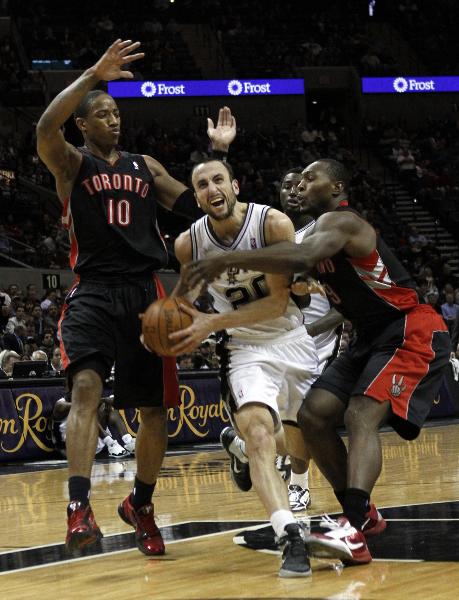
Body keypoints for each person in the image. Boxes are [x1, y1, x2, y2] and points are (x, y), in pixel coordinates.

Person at [179, 158, 451, 565]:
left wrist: (222, 261)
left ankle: (354, 525)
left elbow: (296, 258)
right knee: (313, 417)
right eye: (296, 180)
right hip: (369, 338)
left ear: (338, 188)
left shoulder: (343, 223)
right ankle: (363, 517)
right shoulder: (306, 230)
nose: (300, 185)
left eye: (311, 178)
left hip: (409, 328)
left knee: (360, 415)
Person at [36, 39, 235, 555]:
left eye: (116, 112)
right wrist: (91, 75)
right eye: (103, 113)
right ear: (83, 123)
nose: (114, 119)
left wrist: (218, 157)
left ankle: (139, 504)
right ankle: (79, 507)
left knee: (155, 412)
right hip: (95, 290)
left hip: (148, 294)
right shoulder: (71, 163)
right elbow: (43, 129)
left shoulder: (144, 165)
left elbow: (197, 204)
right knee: (85, 389)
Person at [171, 158, 320, 577]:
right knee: (259, 433)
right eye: (201, 185)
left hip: (292, 338)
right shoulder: (189, 243)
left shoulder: (272, 224)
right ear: (197, 197)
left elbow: (275, 303)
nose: (211, 188)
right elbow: (185, 297)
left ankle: (236, 450)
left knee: (299, 449)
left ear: (234, 185)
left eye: (218, 179)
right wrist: (168, 322)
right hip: (244, 349)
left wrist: (209, 323)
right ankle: (289, 534)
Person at [52, 393, 135, 459]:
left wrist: (108, 401)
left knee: (107, 407)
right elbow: (81, 406)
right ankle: (111, 443)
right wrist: (106, 400)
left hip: (92, 442)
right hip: (75, 448)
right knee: (85, 411)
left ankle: (128, 441)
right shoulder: (60, 404)